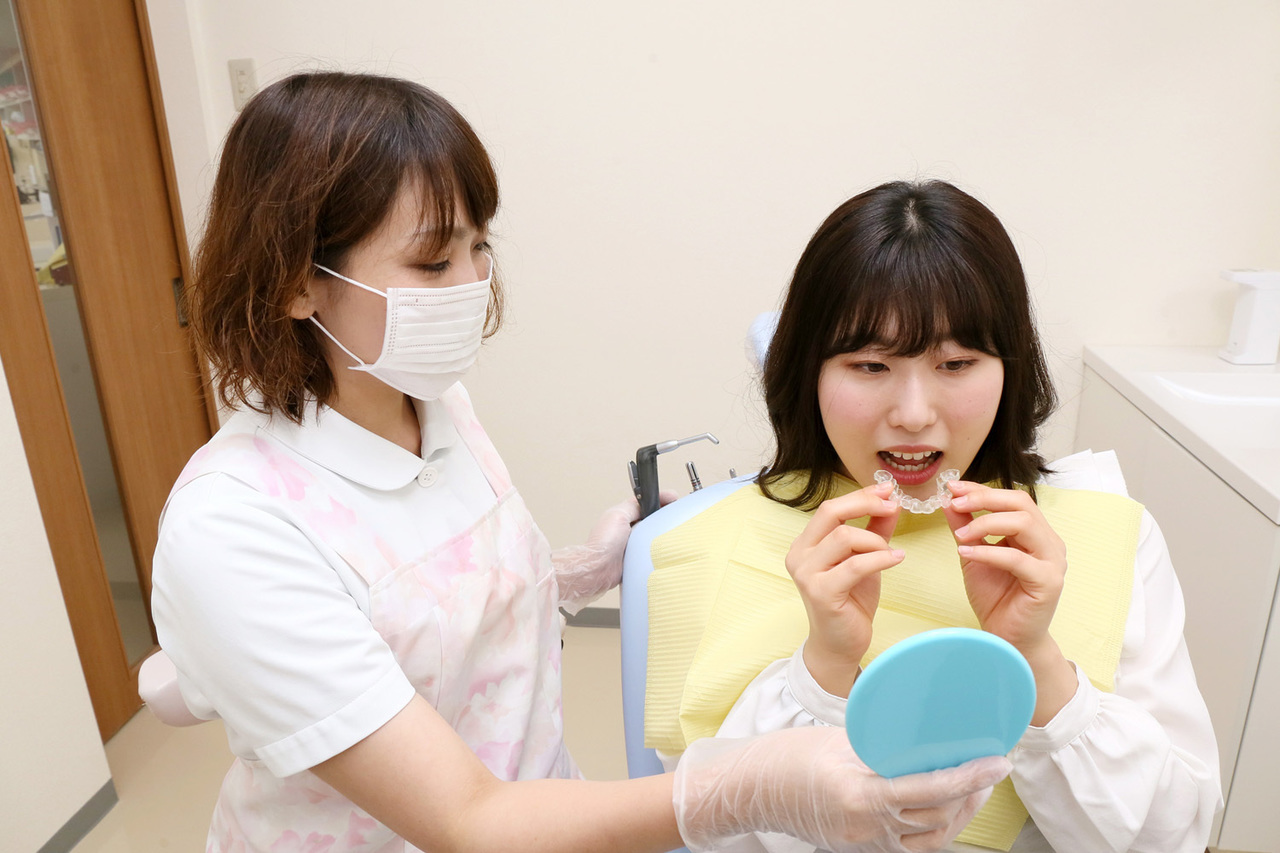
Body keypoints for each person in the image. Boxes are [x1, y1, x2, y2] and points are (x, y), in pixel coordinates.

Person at [150, 73, 1011, 853]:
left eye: (480, 247)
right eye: (433, 261)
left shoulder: (436, 406)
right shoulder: (234, 525)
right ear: (295, 281)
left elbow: (429, 601)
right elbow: (468, 821)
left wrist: (576, 571)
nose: (474, 284)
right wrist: (751, 785)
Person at [642, 180, 1222, 852]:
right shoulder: (713, 544)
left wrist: (1035, 657)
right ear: (808, 372)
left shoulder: (1106, 533)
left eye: (956, 362)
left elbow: (1173, 835)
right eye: (870, 364)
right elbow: (708, 832)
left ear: (1010, 368)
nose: (914, 413)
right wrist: (824, 664)